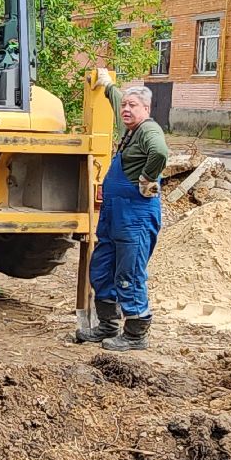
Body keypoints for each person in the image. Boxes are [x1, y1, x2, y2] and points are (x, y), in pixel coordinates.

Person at [76, 70, 167, 351]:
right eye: (125, 105)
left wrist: (148, 178)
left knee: (129, 274)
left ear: (147, 109)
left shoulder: (149, 131)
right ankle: (107, 325)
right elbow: (117, 101)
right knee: (102, 269)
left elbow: (160, 153)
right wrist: (110, 86)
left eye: (133, 106)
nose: (126, 109)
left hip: (135, 218)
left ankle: (136, 334)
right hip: (115, 217)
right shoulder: (130, 128)